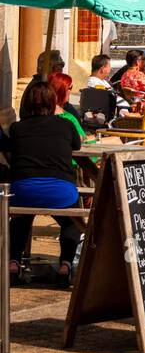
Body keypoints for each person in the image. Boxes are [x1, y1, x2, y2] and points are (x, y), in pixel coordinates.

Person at [1, 80, 83, 287]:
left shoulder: (18, 128)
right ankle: (65, 266)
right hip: (61, 190)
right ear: (52, 101)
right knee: (71, 224)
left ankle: (13, 263)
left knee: (20, 220)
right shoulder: (66, 124)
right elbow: (77, 144)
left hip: (23, 190)